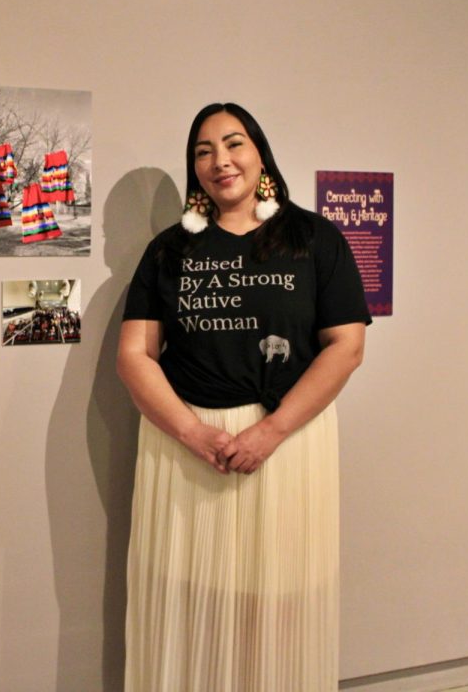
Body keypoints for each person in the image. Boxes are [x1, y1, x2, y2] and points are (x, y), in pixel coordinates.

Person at [116, 103, 369, 691]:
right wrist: (192, 433)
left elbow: (346, 348)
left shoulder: (313, 239)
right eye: (203, 151)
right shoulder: (168, 251)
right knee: (185, 598)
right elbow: (134, 356)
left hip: (287, 444)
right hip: (186, 449)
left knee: (281, 600)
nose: (219, 161)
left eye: (233, 144)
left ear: (260, 152)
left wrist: (270, 433)